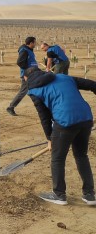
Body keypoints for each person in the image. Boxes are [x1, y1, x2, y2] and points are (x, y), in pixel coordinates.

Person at [26, 66, 96, 206]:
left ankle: (59, 194)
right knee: (81, 155)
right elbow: (93, 85)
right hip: (85, 118)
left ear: (26, 78)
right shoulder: (64, 77)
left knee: (57, 158)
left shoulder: (34, 91)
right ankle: (90, 195)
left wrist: (49, 138)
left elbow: (44, 117)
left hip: (65, 121)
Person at [7, 37, 37, 116]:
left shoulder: (29, 50)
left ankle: (41, 106)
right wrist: (27, 72)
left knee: (37, 89)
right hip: (27, 75)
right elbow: (20, 62)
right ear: (31, 43)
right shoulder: (24, 50)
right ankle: (11, 107)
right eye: (34, 42)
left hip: (33, 73)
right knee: (23, 91)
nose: (35, 44)